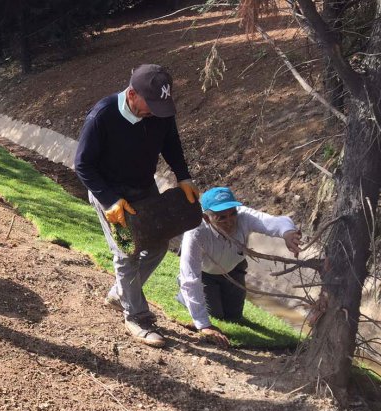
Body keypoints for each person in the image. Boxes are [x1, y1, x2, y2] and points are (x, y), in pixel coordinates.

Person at [74, 64, 199, 348]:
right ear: (131, 94)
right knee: (126, 253)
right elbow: (82, 164)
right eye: (151, 105)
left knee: (157, 246)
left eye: (161, 106)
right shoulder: (102, 115)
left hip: (144, 188)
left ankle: (121, 292)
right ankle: (136, 317)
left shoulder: (160, 111)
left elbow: (171, 142)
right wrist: (109, 200)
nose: (156, 112)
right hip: (110, 194)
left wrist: (184, 176)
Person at [176, 187, 302, 348]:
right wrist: (203, 325)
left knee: (233, 315)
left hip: (234, 269)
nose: (229, 221)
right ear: (206, 218)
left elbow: (274, 221)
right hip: (205, 273)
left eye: (232, 213)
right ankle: (182, 295)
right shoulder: (195, 232)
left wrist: (288, 233)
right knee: (216, 315)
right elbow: (190, 278)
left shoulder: (244, 215)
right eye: (221, 217)